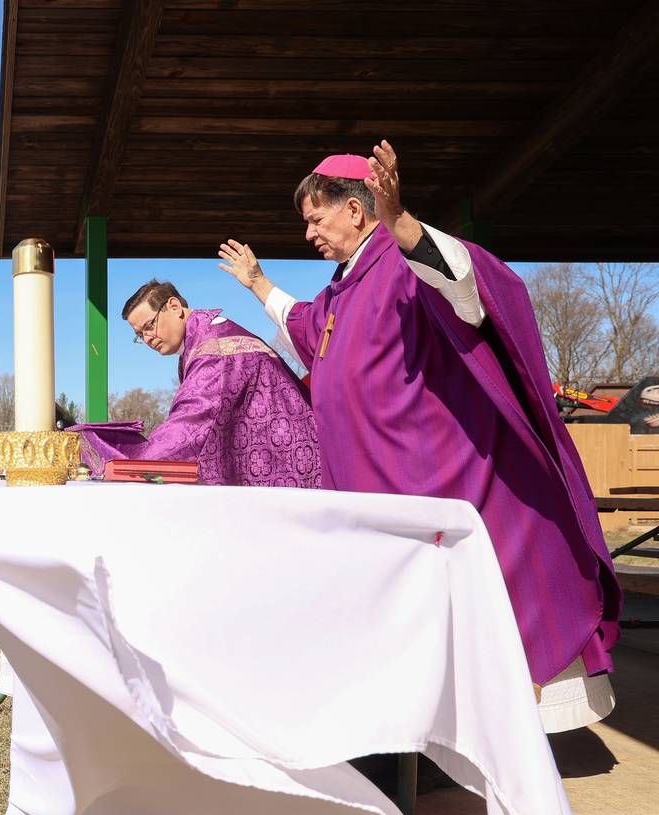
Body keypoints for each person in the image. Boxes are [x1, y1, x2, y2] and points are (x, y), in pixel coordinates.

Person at [218, 142, 620, 733]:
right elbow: (301, 324)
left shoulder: (405, 264)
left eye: (315, 219)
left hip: (440, 485)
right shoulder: (339, 292)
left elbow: (470, 289)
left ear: (356, 210)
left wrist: (400, 219)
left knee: (480, 627)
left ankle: (497, 740)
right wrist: (258, 284)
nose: (308, 234)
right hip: (373, 493)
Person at [67, 281, 321, 487]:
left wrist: (126, 458)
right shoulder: (202, 341)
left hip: (290, 466)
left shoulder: (214, 349)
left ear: (174, 306)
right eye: (139, 335)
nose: (147, 338)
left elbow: (190, 424)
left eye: (149, 326)